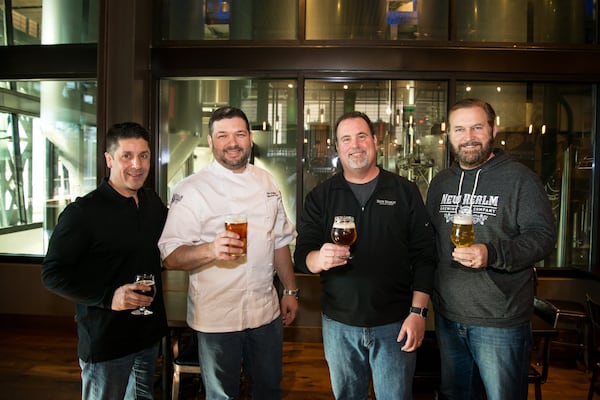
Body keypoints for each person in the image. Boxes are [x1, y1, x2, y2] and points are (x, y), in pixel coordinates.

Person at [158, 106, 298, 400]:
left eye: (239, 134)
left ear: (249, 138)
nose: (232, 143)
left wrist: (291, 290)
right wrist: (210, 249)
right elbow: (170, 256)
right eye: (222, 135)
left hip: (265, 313)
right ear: (211, 142)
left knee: (270, 390)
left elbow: (280, 241)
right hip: (217, 318)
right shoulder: (191, 189)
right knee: (222, 396)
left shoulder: (266, 181)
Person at [294, 110, 436, 400]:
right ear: (337, 147)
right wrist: (317, 260)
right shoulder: (321, 196)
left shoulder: (404, 191)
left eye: (361, 136)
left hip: (395, 323)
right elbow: (302, 255)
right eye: (346, 139)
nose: (355, 145)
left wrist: (418, 312)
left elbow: (425, 255)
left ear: (375, 141)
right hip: (339, 326)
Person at [425, 98, 557, 400]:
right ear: (449, 135)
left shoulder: (520, 179)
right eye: (459, 129)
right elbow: (428, 240)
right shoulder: (442, 182)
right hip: (448, 316)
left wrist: (493, 253)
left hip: (500, 321)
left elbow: (543, 237)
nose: (468, 137)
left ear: (493, 129)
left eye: (476, 127)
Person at [41, 122, 168, 400]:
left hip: (148, 336)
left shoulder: (152, 203)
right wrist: (108, 297)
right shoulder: (83, 212)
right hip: (107, 341)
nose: (137, 164)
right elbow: (52, 274)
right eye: (127, 155)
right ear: (109, 159)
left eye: (144, 155)